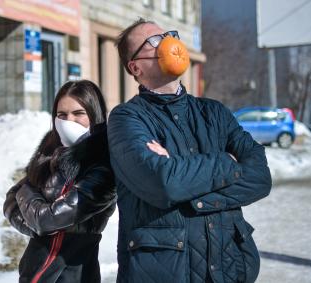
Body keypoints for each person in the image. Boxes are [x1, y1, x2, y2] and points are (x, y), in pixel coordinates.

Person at [108, 18, 272, 283]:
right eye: (153, 41)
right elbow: (163, 183)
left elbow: (260, 178)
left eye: (168, 35)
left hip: (230, 270)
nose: (167, 43)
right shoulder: (126, 119)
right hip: (164, 273)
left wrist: (183, 176)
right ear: (135, 67)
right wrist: (228, 162)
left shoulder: (214, 112)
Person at [3, 80, 117, 283]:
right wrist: (38, 228)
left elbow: (46, 219)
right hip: (34, 272)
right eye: (61, 115)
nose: (68, 121)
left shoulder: (103, 164)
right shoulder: (50, 150)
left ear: (94, 115)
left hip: (73, 274)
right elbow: (11, 201)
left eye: (78, 113)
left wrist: (29, 197)